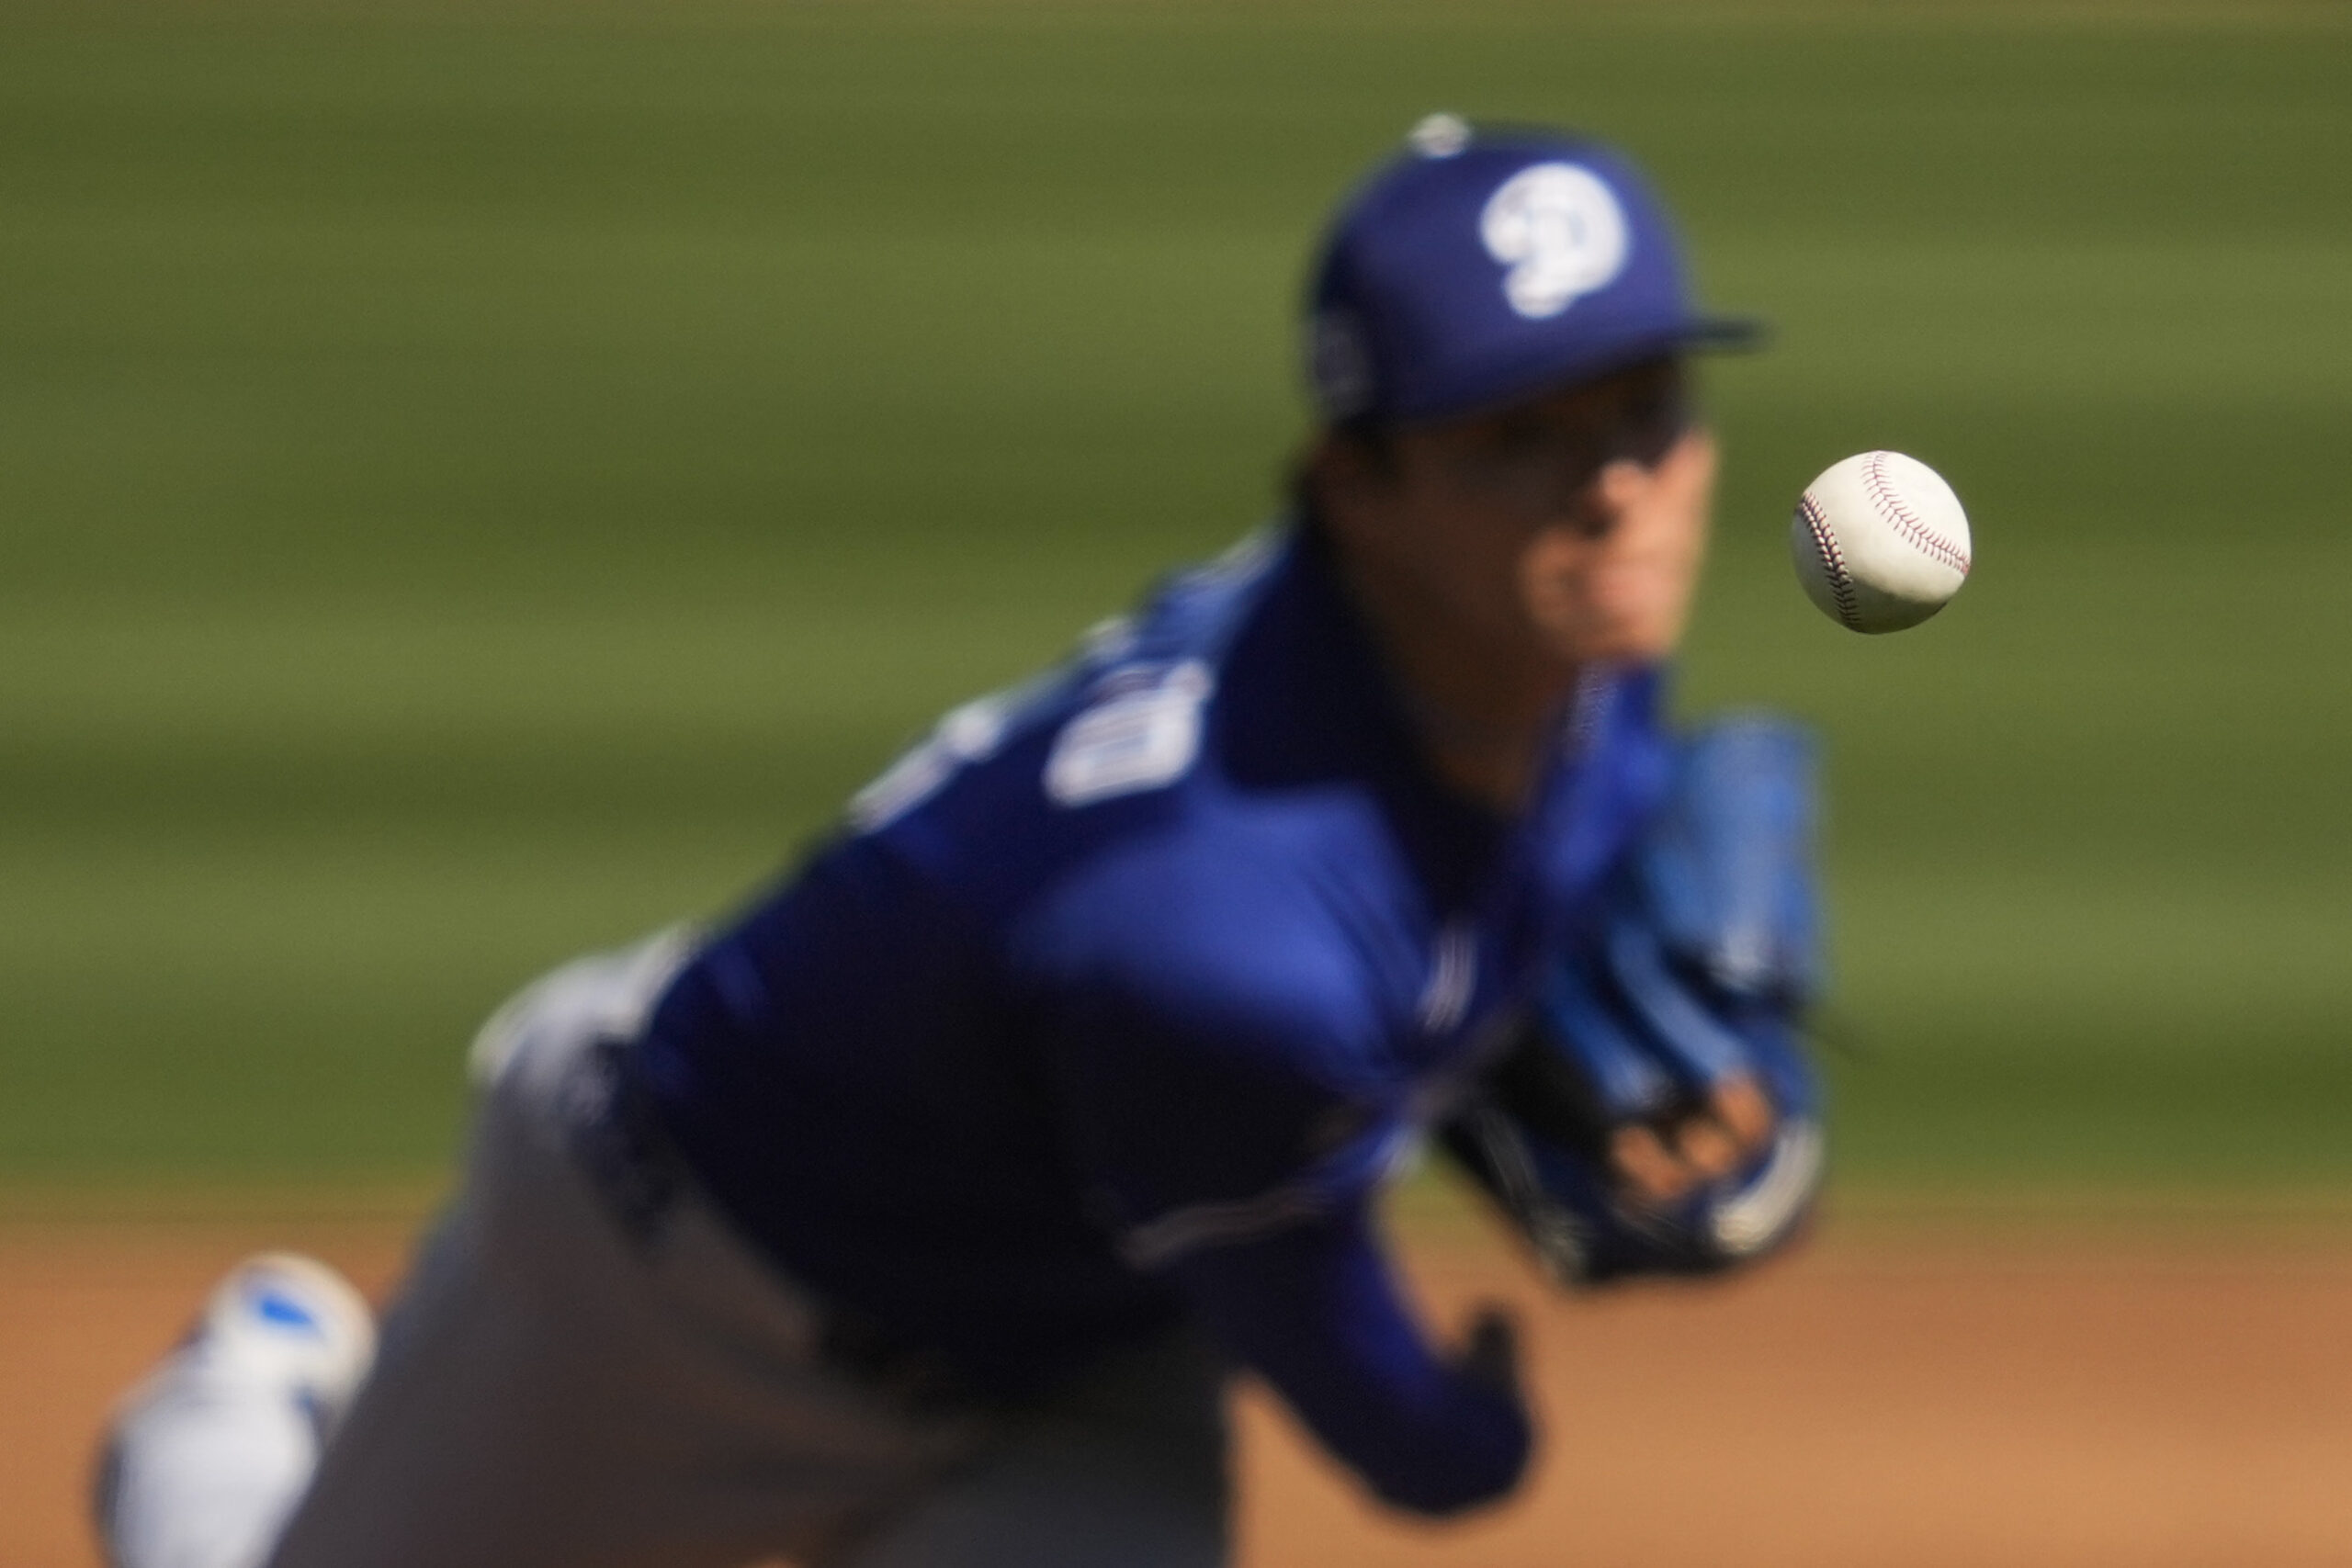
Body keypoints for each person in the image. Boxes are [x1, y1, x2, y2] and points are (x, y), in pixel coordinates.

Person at [95, 114, 1825, 1568]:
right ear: (1351, 485)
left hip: (1074, 1362)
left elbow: (1493, 898)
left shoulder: (1561, 649)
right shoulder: (1223, 922)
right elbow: (1373, 1397)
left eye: (1644, 409)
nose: (1613, 487)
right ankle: (246, 1408)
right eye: (1516, 436)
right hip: (678, 1288)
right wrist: (1475, 1440)